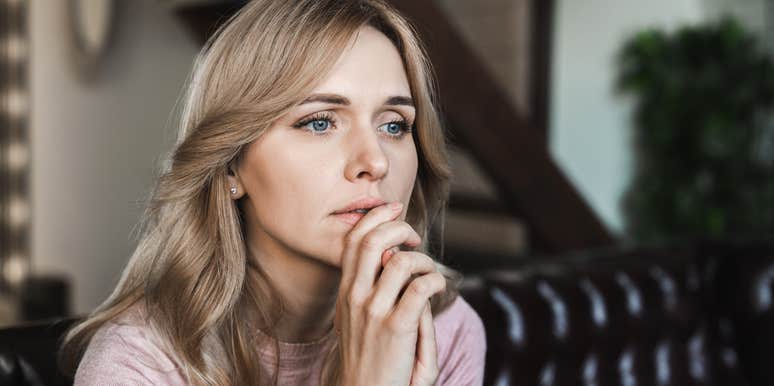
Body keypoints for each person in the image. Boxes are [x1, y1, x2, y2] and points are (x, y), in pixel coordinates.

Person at [58, 0, 487, 384]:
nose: (375, 161)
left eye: (394, 124)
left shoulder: (444, 328)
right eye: (319, 122)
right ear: (230, 164)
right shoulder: (135, 365)